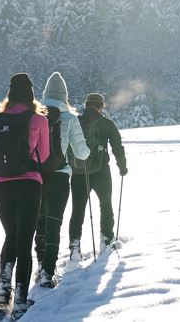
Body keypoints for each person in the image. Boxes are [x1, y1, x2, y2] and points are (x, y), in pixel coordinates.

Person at [0, 73, 50, 318]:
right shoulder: (38, 120)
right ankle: (20, 297)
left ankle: (2, 291)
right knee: (24, 240)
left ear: (9, 94)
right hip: (29, 184)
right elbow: (44, 155)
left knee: (10, 235)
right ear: (31, 93)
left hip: (1, 186)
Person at [33, 72, 90, 288]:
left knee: (39, 223)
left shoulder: (34, 116)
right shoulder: (69, 118)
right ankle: (48, 272)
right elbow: (82, 153)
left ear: (45, 94)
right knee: (54, 224)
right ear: (64, 96)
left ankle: (40, 265)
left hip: (36, 178)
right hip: (59, 177)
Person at [68, 92, 128, 260]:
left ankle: (74, 247)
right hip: (101, 172)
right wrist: (122, 166)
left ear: (86, 105)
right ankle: (106, 240)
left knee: (78, 210)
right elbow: (117, 146)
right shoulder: (106, 123)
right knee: (106, 204)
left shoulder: (75, 122)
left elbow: (66, 146)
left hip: (78, 173)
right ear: (101, 106)